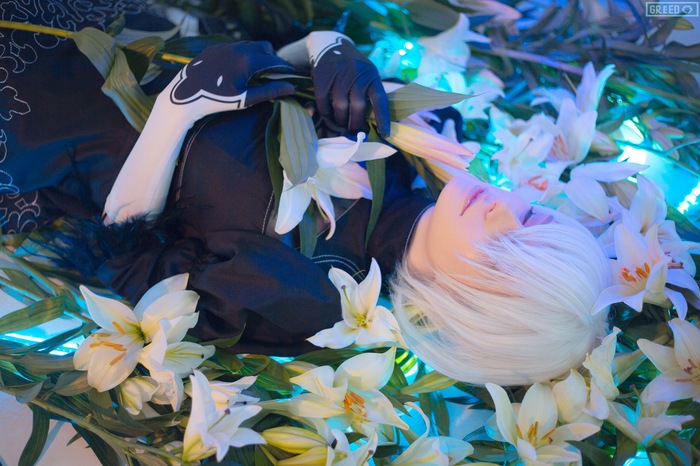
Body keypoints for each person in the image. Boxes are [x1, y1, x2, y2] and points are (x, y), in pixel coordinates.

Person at [1, 1, 611, 386]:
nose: (503, 210)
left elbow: (123, 255)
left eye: (500, 257)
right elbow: (285, 62)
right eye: (533, 216)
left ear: (462, 309)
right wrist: (330, 51)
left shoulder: (309, 298)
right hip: (104, 27)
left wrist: (175, 112)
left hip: (38, 134)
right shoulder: (428, 141)